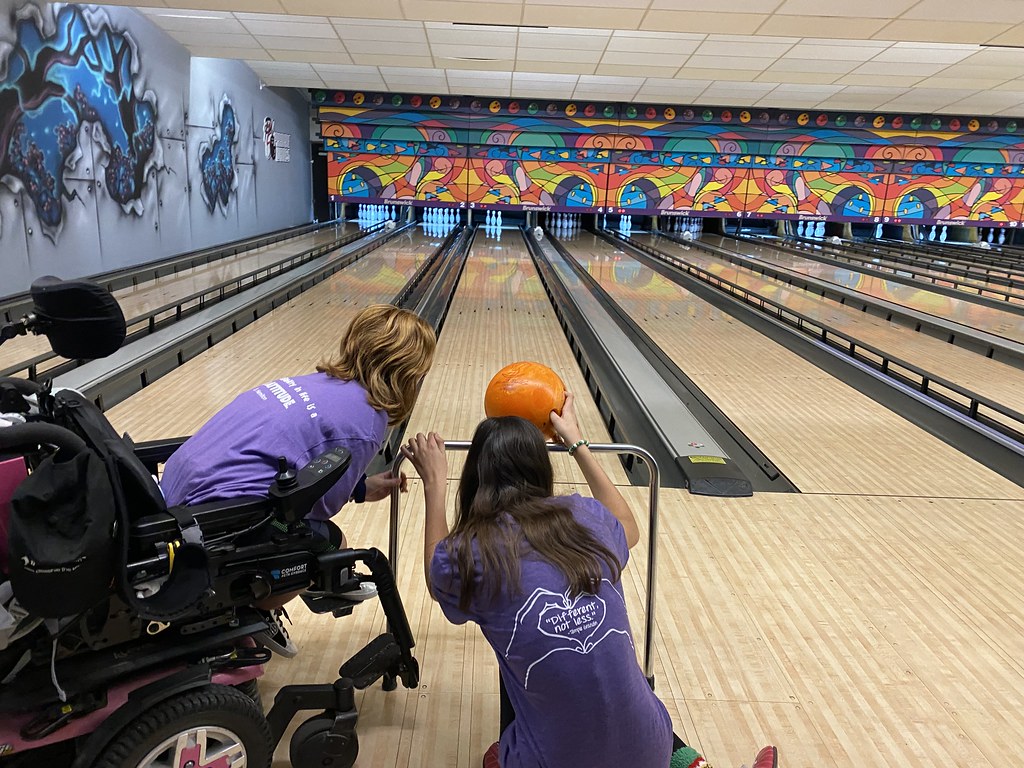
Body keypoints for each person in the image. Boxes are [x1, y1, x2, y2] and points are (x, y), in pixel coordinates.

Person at [401, 394, 778, 768]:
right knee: (608, 684)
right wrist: (577, 443)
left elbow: (437, 574)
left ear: (474, 478)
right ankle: (691, 764)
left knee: (517, 653)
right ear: (541, 471)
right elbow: (629, 527)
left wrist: (434, 484)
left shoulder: (472, 552)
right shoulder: (585, 516)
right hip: (653, 750)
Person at [161, 303, 436, 605]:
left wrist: (359, 488)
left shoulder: (321, 381)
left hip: (173, 490)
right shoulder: (368, 420)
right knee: (330, 546)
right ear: (410, 374)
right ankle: (242, 615)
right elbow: (313, 506)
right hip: (217, 516)